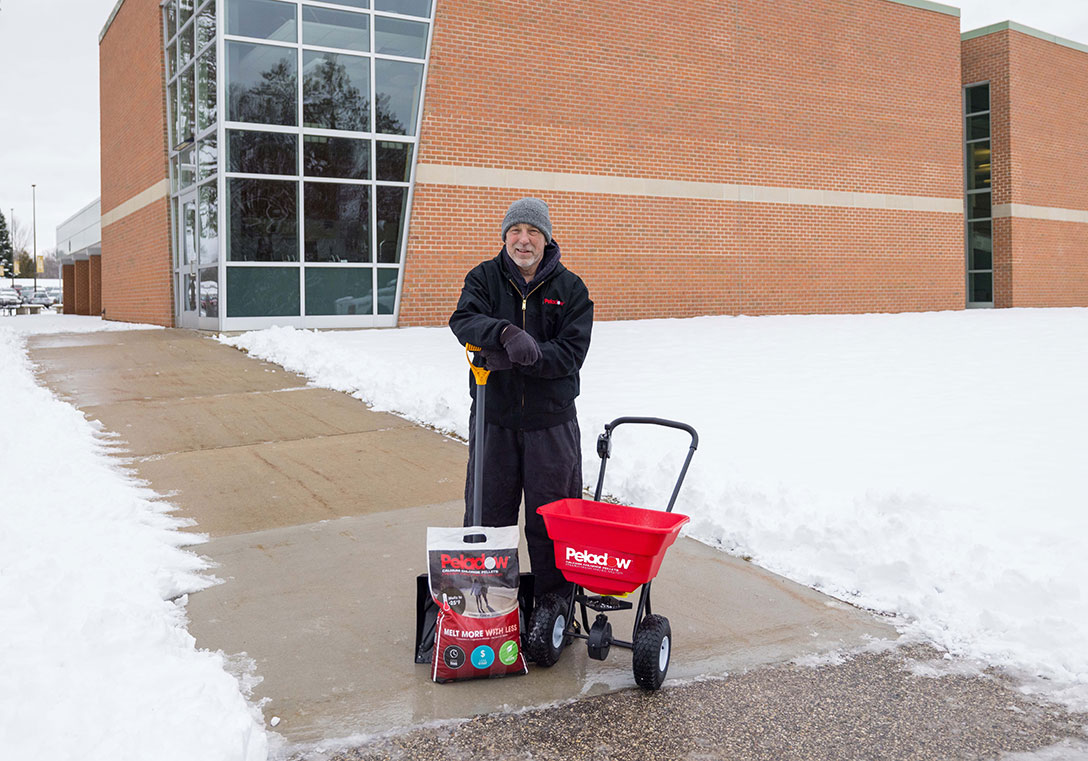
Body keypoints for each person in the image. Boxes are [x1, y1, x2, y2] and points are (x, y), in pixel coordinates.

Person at [449, 197, 593, 604]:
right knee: (487, 516)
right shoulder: (484, 278)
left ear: (547, 239)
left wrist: (526, 356)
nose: (523, 240)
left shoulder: (571, 289)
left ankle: (555, 608)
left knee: (552, 522)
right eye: (515, 231)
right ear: (505, 236)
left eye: (532, 232)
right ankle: (487, 605)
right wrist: (505, 333)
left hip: (552, 426)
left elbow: (571, 354)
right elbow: (464, 320)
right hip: (495, 421)